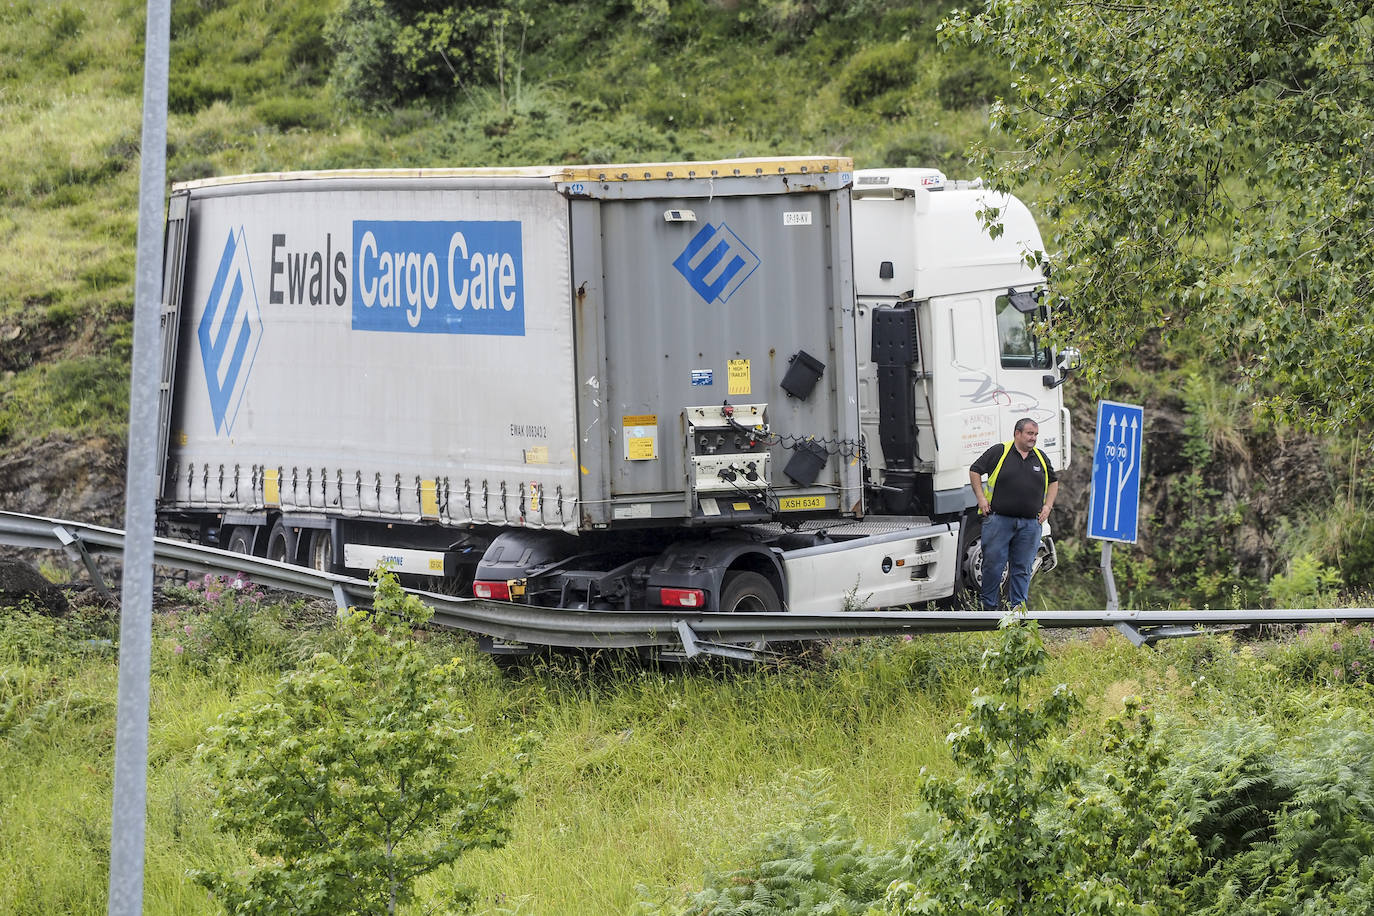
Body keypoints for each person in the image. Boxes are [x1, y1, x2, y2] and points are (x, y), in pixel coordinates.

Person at [968, 418, 1059, 611]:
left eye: (1035, 435)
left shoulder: (1040, 457)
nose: (1033, 438)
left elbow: (1053, 481)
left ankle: (1018, 611)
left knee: (1023, 569)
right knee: (993, 566)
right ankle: (989, 611)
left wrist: (1048, 506)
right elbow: (975, 470)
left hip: (1030, 524)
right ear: (1017, 433)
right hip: (999, 521)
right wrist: (981, 499)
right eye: (1029, 434)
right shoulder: (999, 452)